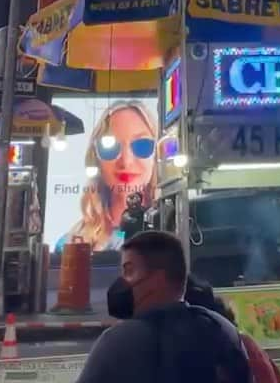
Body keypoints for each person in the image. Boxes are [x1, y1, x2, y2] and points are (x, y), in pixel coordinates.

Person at [78, 230, 251, 383]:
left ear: (158, 279)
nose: (121, 282)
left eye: (129, 271)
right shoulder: (223, 329)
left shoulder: (119, 341)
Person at [57, 101, 157, 252]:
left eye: (142, 146)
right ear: (96, 158)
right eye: (110, 148)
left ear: (157, 156)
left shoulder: (175, 231)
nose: (126, 161)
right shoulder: (71, 244)